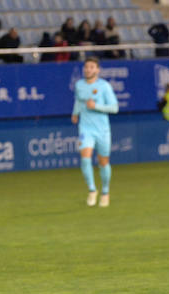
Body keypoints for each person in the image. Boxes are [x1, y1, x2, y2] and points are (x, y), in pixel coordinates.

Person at [72, 57, 118, 207]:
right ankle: (92, 190)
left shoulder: (104, 86)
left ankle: (105, 191)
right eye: (86, 67)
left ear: (97, 70)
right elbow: (78, 100)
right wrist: (75, 113)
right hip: (86, 128)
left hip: (102, 130)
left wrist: (96, 106)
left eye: (91, 67)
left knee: (103, 162)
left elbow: (114, 108)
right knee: (85, 157)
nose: (88, 69)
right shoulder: (79, 85)